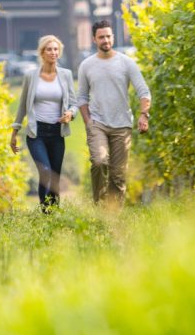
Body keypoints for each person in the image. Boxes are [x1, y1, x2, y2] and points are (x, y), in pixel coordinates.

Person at [76, 19, 151, 207]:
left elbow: (143, 91)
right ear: (94, 39)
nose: (106, 40)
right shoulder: (86, 65)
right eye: (101, 37)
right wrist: (88, 122)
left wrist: (144, 114)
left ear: (113, 37)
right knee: (100, 162)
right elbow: (82, 97)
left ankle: (113, 215)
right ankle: (100, 206)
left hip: (122, 125)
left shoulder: (126, 63)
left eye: (108, 36)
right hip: (97, 124)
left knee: (118, 175)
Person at [10, 35, 77, 210]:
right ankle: (45, 212)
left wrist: (70, 113)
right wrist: (15, 132)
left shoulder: (66, 75)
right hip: (36, 132)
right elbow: (23, 105)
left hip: (57, 132)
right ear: (42, 52)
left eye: (56, 49)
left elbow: (74, 103)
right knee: (45, 172)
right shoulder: (31, 76)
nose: (53, 53)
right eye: (49, 49)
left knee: (54, 175)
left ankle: (54, 215)